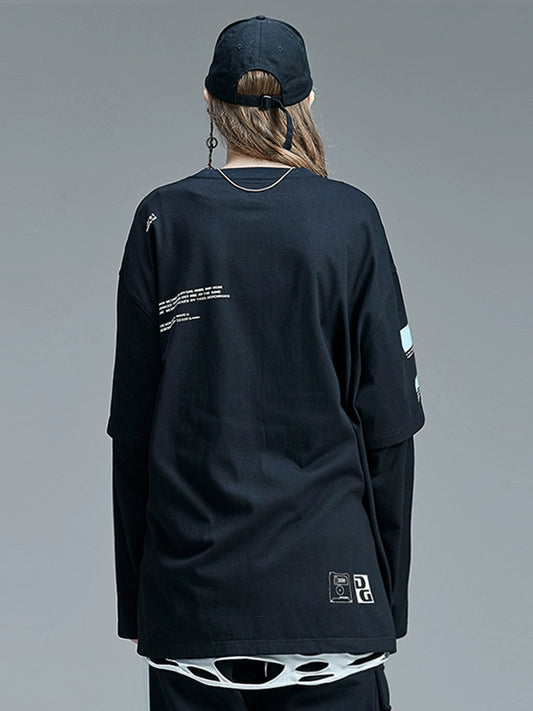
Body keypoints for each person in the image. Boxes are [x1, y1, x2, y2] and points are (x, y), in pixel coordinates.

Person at [106, 14, 425, 711]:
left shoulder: (162, 219)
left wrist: (143, 606)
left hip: (194, 609)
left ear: (208, 100)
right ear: (307, 101)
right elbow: (390, 428)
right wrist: (383, 602)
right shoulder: (350, 219)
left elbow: (131, 431)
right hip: (332, 607)